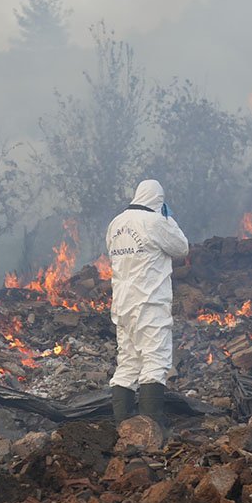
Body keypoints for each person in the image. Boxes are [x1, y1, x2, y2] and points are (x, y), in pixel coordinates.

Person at [105, 180, 189, 425]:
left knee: (128, 361)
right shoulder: (155, 222)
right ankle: (150, 425)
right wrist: (168, 218)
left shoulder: (116, 223)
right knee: (156, 359)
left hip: (122, 304)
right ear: (158, 200)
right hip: (149, 303)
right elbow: (181, 247)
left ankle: (122, 423)